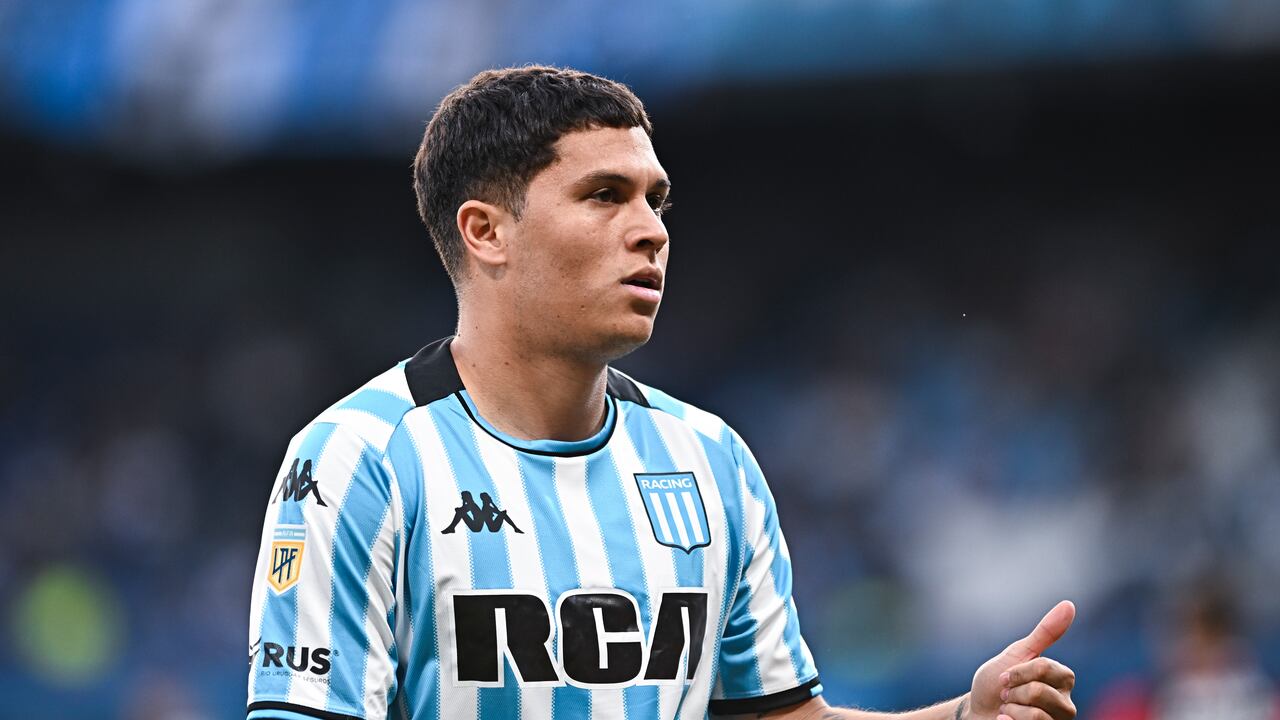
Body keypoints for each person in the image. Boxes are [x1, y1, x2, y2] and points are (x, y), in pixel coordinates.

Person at [246, 65, 1077, 720]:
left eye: (655, 200)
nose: (651, 230)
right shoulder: (359, 459)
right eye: (604, 196)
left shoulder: (710, 459)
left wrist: (963, 714)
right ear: (486, 231)